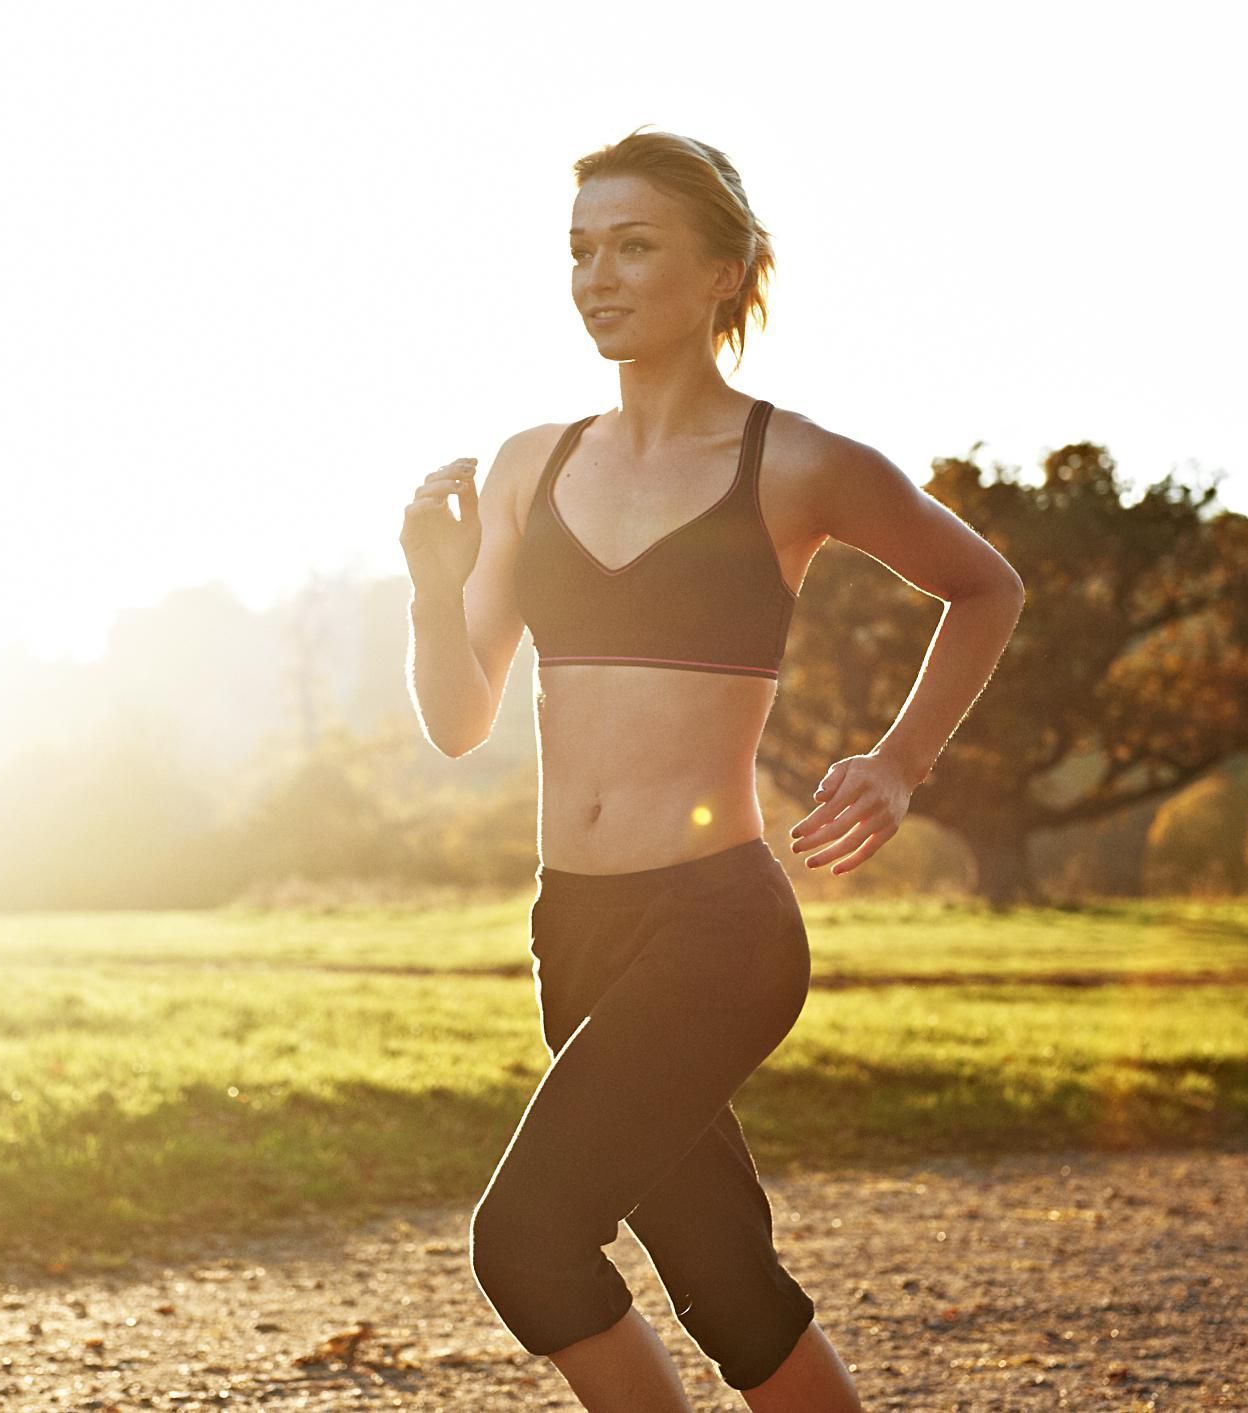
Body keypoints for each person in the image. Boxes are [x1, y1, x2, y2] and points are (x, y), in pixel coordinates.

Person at [397, 127, 1026, 1412]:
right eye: (579, 249)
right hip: (572, 930)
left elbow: (983, 584)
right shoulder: (534, 464)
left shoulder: (793, 463)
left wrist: (901, 762)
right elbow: (460, 720)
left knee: (523, 1243)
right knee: (726, 1283)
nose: (596, 277)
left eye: (634, 247)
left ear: (727, 270)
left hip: (716, 928)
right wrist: (428, 593)